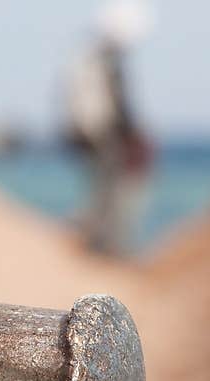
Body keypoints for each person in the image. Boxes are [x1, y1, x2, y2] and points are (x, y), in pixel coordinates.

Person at [62, 0, 154, 257]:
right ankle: (104, 242)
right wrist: (131, 132)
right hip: (100, 131)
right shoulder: (102, 60)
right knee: (109, 186)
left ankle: (99, 238)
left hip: (91, 130)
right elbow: (118, 104)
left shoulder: (87, 56)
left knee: (104, 185)